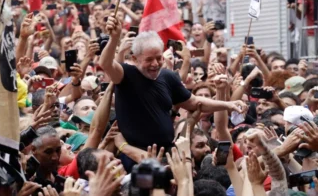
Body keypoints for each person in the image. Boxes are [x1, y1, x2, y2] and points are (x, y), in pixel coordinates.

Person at [98, 15, 245, 153]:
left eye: (159, 58)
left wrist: (229, 105)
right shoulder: (126, 75)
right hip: (135, 158)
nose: (155, 64)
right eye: (149, 59)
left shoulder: (168, 77)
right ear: (135, 59)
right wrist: (114, 38)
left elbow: (195, 103)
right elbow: (106, 63)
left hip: (167, 155)